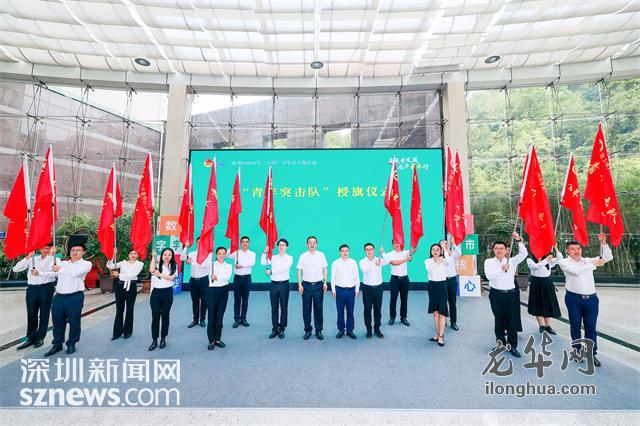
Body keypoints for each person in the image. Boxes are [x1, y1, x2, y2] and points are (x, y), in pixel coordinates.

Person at [558, 233, 613, 368]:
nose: (576, 251)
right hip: (573, 299)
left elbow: (608, 257)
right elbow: (576, 272)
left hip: (591, 300)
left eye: (578, 249)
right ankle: (577, 351)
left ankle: (591, 353)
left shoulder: (587, 260)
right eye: (573, 249)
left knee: (591, 327)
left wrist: (604, 243)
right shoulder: (564, 262)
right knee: (575, 325)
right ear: (567, 251)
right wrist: (594, 265)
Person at [43, 235, 92, 357]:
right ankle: (57, 344)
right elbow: (52, 271)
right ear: (70, 252)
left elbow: (74, 273)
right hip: (59, 297)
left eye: (78, 250)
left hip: (74, 297)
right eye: (73, 250)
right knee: (57, 321)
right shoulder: (64, 263)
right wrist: (50, 257)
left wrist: (59, 269)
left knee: (74, 321)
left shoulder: (86, 264)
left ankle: (71, 343)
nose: (75, 252)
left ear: (83, 252)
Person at [484, 232, 528, 358]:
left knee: (512, 321)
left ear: (506, 250)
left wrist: (519, 241)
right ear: (493, 250)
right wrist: (501, 269)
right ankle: (500, 344)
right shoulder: (489, 262)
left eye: (501, 248)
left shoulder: (512, 261)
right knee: (499, 320)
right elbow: (489, 276)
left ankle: (512, 346)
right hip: (496, 295)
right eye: (496, 248)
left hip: (511, 295)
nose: (499, 250)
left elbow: (524, 254)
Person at [13, 242, 57, 350]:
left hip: (46, 287)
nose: (46, 250)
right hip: (32, 288)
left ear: (52, 249)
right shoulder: (33, 259)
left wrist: (51, 257)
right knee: (31, 313)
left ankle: (40, 337)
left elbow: (55, 273)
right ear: (40, 249)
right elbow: (16, 269)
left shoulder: (55, 259)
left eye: (48, 248)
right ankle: (31, 337)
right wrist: (27, 257)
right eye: (43, 248)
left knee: (44, 313)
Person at [106, 248, 143, 340]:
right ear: (128, 255)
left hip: (131, 286)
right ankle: (117, 332)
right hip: (120, 286)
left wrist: (119, 275)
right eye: (131, 253)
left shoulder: (140, 264)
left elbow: (133, 275)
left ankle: (128, 331)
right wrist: (113, 255)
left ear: (137, 255)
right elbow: (110, 266)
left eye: (135, 253)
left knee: (130, 309)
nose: (133, 255)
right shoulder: (123, 263)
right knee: (119, 309)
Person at [526, 246, 563, 335]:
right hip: (536, 283)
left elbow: (560, 259)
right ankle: (541, 325)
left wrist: (555, 248)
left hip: (547, 283)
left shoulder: (548, 261)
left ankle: (548, 325)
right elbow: (536, 267)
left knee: (548, 303)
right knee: (537, 303)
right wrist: (546, 260)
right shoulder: (530, 260)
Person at [297, 236, 328, 340]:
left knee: (318, 309)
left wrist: (325, 282)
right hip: (306, 286)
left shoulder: (321, 255)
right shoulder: (303, 256)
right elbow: (299, 271)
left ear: (316, 244)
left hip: (318, 285)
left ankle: (319, 330)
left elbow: (325, 268)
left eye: (314, 243)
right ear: (307, 244)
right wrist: (300, 284)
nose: (312, 244)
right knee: (306, 309)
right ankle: (308, 330)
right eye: (310, 243)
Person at [261, 239, 293, 339]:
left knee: (284, 307)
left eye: (283, 245)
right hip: (274, 285)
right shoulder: (273, 257)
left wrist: (271, 272)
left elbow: (284, 269)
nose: (281, 247)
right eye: (279, 245)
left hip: (284, 285)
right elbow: (263, 262)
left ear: (287, 247)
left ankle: (282, 328)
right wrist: (264, 252)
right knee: (274, 308)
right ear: (277, 246)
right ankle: (275, 328)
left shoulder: (289, 258)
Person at [148, 248, 178, 351]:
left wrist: (160, 274)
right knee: (155, 317)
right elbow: (151, 270)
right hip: (156, 293)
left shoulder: (174, 266)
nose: (167, 256)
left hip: (167, 293)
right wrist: (153, 257)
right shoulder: (156, 264)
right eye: (165, 254)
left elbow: (171, 278)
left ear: (172, 256)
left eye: (169, 255)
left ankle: (163, 338)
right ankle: (154, 340)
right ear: (161, 256)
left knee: (165, 316)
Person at [381, 240, 416, 326]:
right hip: (395, 279)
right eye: (395, 243)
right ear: (392, 245)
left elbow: (413, 250)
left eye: (398, 243)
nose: (397, 245)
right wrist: (406, 259)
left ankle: (403, 317)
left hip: (405, 279)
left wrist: (414, 241)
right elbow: (394, 263)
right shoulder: (389, 254)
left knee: (404, 299)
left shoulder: (405, 252)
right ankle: (392, 317)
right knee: (393, 299)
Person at [425, 242, 452, 347]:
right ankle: (438, 333)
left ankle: (441, 336)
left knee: (442, 312)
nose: (435, 251)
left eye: (437, 250)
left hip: (442, 286)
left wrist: (444, 249)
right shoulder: (427, 261)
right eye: (433, 249)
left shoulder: (444, 260)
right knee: (435, 312)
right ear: (431, 251)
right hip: (432, 286)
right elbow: (429, 269)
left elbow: (449, 261)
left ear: (440, 251)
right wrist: (437, 262)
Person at [331, 244, 360, 340]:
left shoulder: (353, 262)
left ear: (349, 252)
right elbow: (333, 277)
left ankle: (350, 330)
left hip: (351, 290)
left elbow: (357, 277)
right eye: (343, 251)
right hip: (339, 290)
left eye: (346, 251)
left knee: (350, 311)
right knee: (340, 311)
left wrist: (357, 290)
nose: (345, 253)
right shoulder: (335, 263)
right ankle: (341, 330)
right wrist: (333, 290)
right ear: (340, 252)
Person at [359, 242, 387, 339]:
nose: (369, 251)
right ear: (365, 251)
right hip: (367, 289)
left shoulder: (379, 259)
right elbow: (366, 270)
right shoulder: (362, 261)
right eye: (367, 249)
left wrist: (383, 252)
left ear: (374, 250)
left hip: (378, 288)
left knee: (378, 309)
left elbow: (387, 261)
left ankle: (377, 329)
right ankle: (369, 329)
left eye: (371, 249)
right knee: (367, 309)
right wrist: (375, 264)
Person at [207, 247, 232, 350]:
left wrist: (217, 278)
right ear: (216, 255)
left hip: (224, 291)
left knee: (220, 317)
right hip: (212, 291)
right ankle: (211, 341)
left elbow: (227, 277)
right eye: (219, 253)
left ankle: (218, 339)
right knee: (211, 317)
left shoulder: (229, 266)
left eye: (223, 253)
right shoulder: (211, 265)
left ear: (226, 255)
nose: (221, 255)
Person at [229, 236, 256, 328]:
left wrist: (242, 266)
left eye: (246, 242)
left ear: (249, 243)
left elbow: (252, 262)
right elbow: (227, 254)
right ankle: (236, 319)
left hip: (247, 279)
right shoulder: (236, 252)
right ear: (240, 243)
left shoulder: (252, 253)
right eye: (243, 242)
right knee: (237, 299)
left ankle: (243, 318)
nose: (245, 243)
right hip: (237, 279)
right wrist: (233, 244)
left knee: (245, 299)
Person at [185, 237, 211, 328]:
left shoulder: (208, 254)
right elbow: (182, 257)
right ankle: (195, 319)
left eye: (202, 242)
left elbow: (204, 265)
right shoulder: (192, 253)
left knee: (204, 300)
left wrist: (192, 263)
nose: (200, 244)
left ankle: (202, 319)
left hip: (204, 280)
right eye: (198, 242)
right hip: (193, 281)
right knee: (195, 301)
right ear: (196, 243)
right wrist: (186, 247)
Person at [441, 239, 462, 331]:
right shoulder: (439, 255)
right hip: (442, 281)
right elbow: (446, 261)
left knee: (452, 302)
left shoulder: (453, 254)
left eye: (446, 243)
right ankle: (443, 320)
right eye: (442, 243)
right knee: (443, 302)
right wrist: (444, 250)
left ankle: (453, 322)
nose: (445, 244)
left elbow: (459, 253)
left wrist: (454, 243)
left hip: (452, 280)